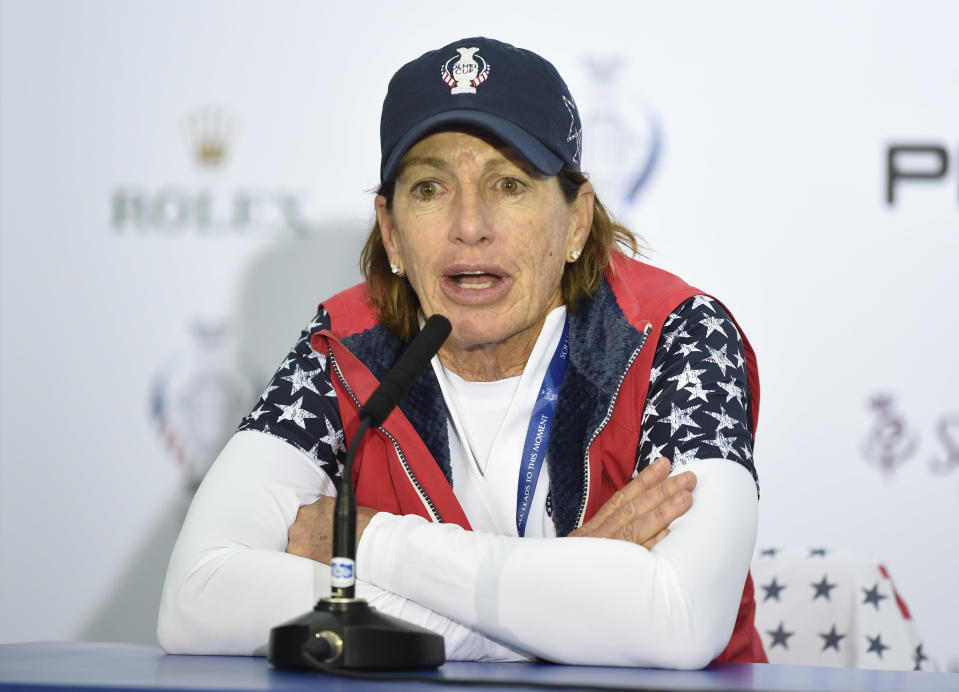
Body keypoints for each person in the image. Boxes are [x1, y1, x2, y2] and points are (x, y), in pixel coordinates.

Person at [157, 36, 765, 668]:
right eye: (429, 188)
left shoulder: (677, 335)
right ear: (390, 230)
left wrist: (373, 543)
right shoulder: (342, 347)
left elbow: (680, 623)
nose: (470, 225)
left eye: (509, 184)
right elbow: (195, 601)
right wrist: (558, 611)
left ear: (577, 220)